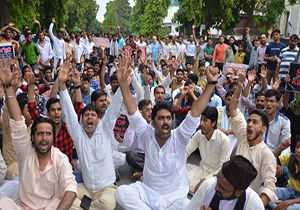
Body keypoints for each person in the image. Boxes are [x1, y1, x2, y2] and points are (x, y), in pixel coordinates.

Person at [116, 58, 219, 209]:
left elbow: (195, 112)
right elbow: (132, 111)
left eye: (168, 118)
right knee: (121, 193)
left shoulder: (180, 136)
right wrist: (123, 84)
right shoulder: (146, 133)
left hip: (175, 198)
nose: (165, 122)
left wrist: (210, 85)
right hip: (148, 193)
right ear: (152, 121)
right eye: (161, 118)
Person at [0, 58, 77, 210]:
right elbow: (17, 121)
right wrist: (8, 87)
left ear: (53, 137)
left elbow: (71, 188)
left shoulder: (60, 158)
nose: (44, 138)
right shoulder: (25, 150)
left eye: (48, 134)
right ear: (33, 137)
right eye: (40, 134)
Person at [58, 61, 123, 209]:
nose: (89, 117)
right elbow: (68, 112)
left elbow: (113, 108)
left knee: (108, 204)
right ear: (81, 119)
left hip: (106, 188)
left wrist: (123, 85)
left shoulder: (105, 129)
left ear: (98, 119)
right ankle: (91, 206)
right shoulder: (78, 134)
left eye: (93, 115)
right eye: (86, 115)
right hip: (86, 188)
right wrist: (62, 85)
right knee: (66, 197)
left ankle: (87, 207)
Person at [229, 73, 277, 206]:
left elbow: (269, 187)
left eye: (255, 122)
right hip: (226, 190)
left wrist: (256, 207)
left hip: (245, 201)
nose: (249, 124)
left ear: (263, 129)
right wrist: (239, 85)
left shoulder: (266, 154)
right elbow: (233, 108)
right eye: (249, 121)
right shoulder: (244, 135)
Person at [186, 155, 264, 210]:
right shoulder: (208, 185)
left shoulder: (254, 204)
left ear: (238, 192)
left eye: (222, 188)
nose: (216, 187)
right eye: (217, 181)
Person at [186, 106, 231, 193]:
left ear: (213, 123)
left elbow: (222, 168)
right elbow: (186, 150)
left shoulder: (224, 141)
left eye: (205, 120)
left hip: (214, 177)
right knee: (179, 174)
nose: (201, 124)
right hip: (201, 170)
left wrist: (206, 180)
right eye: (201, 120)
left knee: (203, 189)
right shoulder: (199, 134)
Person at [268, 135, 300, 209]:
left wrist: (288, 202)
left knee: (292, 208)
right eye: (297, 147)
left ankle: (278, 205)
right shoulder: (291, 157)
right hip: (290, 190)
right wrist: (281, 148)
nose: (298, 150)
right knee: (264, 191)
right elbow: (270, 159)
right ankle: (279, 206)